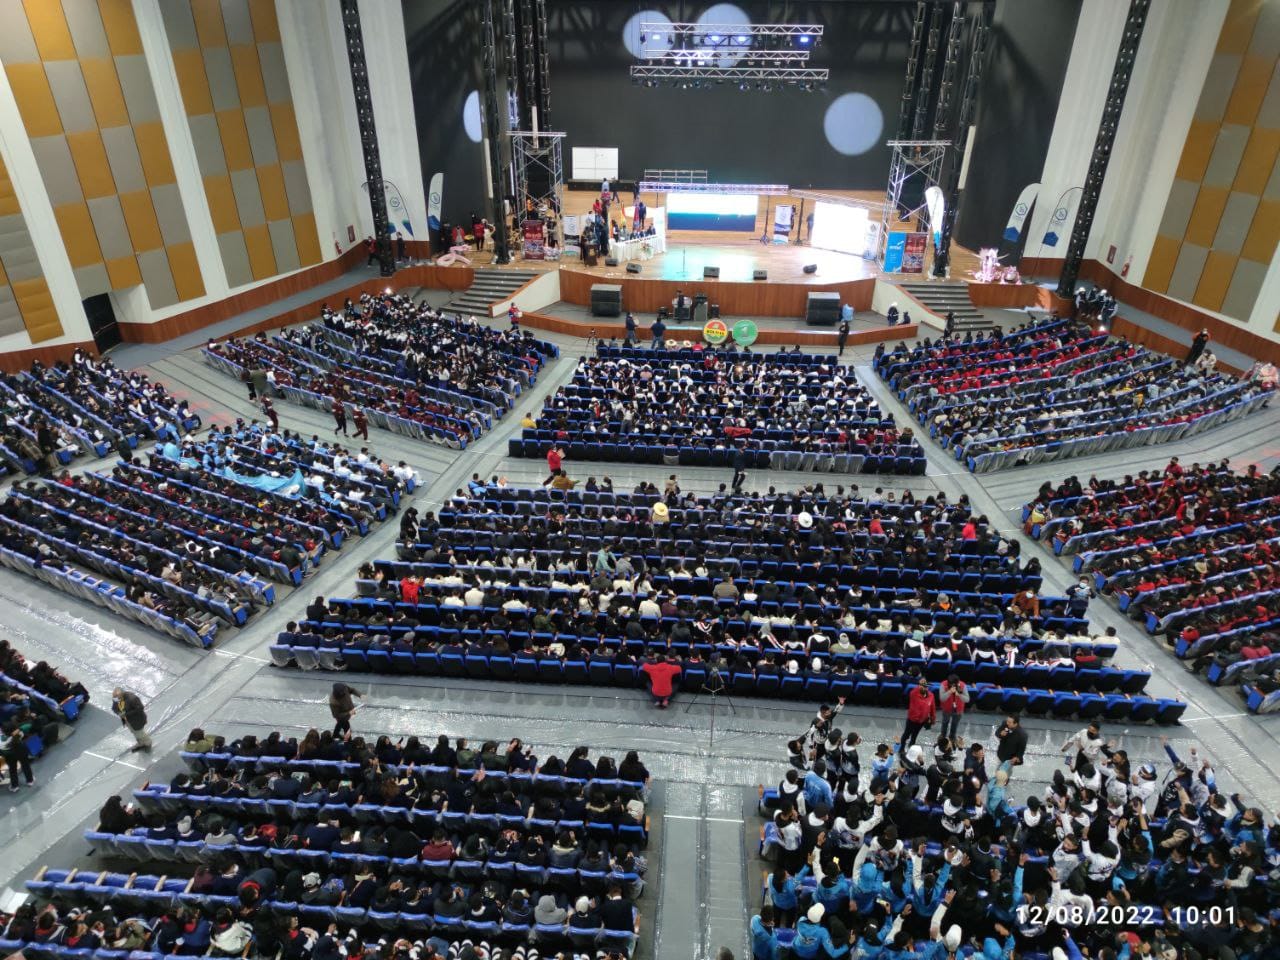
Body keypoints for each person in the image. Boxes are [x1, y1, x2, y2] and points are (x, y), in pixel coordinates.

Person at [112, 687, 151, 753]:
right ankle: (140, 743)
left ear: (122, 695)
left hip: (136, 720)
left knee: (140, 732)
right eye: (114, 698)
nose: (116, 700)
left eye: (117, 698)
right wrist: (118, 713)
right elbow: (114, 707)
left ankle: (147, 743)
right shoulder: (116, 699)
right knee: (134, 732)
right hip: (127, 720)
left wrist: (126, 714)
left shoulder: (132, 699)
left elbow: (140, 708)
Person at [901, 676, 935, 749]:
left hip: (922, 721)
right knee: (906, 735)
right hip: (912, 720)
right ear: (918, 686)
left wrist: (932, 719)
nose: (924, 688)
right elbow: (915, 690)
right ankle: (902, 747)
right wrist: (920, 684)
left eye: (926, 686)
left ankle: (911, 746)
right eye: (922, 685)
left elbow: (932, 708)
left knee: (915, 735)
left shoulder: (931, 696)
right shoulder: (914, 693)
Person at [937, 674, 968, 742]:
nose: (953, 686)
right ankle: (943, 735)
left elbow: (967, 699)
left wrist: (959, 695)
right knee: (945, 722)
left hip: (958, 710)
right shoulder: (943, 684)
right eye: (951, 684)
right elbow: (942, 698)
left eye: (955, 685)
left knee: (955, 724)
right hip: (947, 709)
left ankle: (952, 736)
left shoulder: (963, 685)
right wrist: (949, 692)